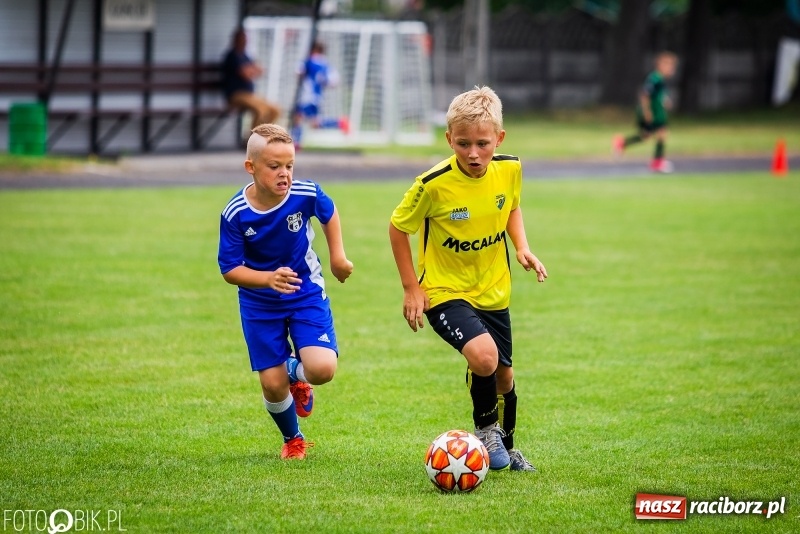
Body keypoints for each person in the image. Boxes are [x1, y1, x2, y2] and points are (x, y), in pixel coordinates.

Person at [388, 86, 548, 472]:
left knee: (504, 378)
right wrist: (412, 287)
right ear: (449, 140)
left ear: (499, 139)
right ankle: (486, 430)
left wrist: (522, 247)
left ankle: (508, 449)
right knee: (484, 356)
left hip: (494, 289)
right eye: (462, 144)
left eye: (482, 143)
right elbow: (397, 228)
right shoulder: (432, 183)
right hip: (444, 290)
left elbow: (511, 206)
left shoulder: (510, 168)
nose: (473, 153)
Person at [218, 123, 354, 460]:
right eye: (274, 166)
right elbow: (229, 270)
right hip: (259, 303)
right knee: (273, 384)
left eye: (290, 166)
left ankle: (297, 371)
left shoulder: (304, 193)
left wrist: (338, 257)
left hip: (304, 290)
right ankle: (293, 438)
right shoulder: (236, 213)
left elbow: (328, 211)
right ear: (251, 167)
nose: (285, 174)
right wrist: (266, 279)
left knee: (323, 369)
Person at [613, 51, 678, 173]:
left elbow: (660, 96)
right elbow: (645, 95)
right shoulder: (654, 79)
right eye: (669, 66)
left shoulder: (661, 80)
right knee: (661, 134)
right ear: (660, 65)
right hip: (653, 114)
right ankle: (657, 162)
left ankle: (622, 143)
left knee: (647, 135)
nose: (671, 69)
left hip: (658, 114)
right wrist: (647, 112)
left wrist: (666, 101)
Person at [291, 41, 350, 149]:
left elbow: (298, 71)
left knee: (298, 117)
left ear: (312, 50)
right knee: (315, 123)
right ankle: (340, 123)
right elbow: (334, 81)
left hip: (306, 96)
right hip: (317, 97)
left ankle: (296, 143)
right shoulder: (326, 64)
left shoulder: (308, 61)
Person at [221, 28, 281, 132]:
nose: (245, 42)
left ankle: (264, 136)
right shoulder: (232, 56)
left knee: (275, 110)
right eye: (242, 39)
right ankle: (251, 140)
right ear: (236, 40)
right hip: (236, 95)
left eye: (246, 39)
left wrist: (251, 70)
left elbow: (260, 70)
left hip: (250, 94)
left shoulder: (245, 56)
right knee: (260, 110)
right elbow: (246, 74)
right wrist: (252, 70)